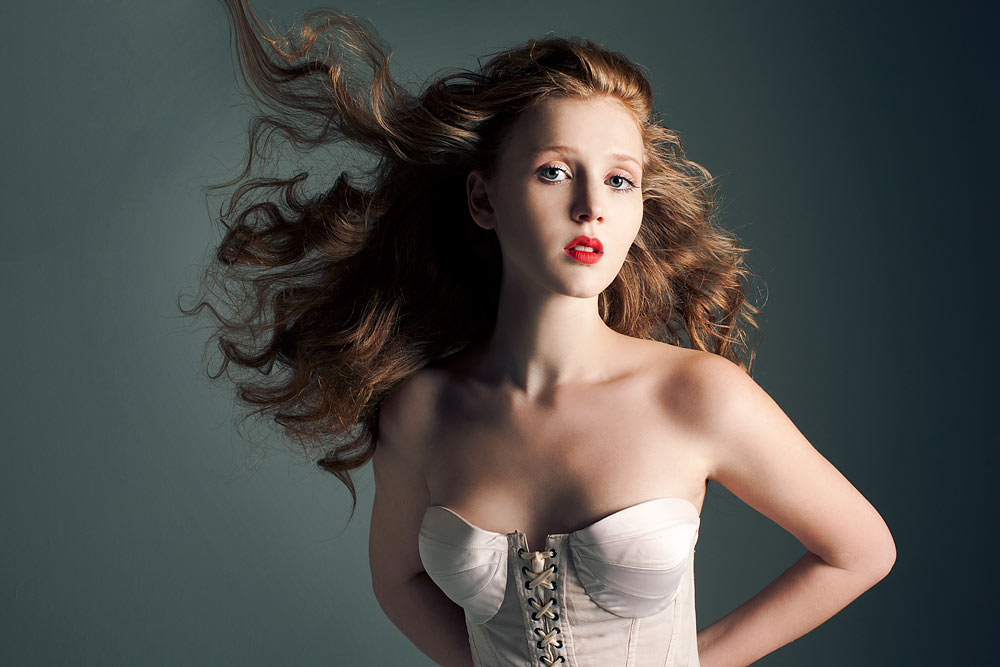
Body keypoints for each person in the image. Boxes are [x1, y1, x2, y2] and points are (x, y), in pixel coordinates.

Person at [184, 1, 896, 665]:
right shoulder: (422, 412)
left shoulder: (697, 394)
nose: (591, 208)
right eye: (554, 171)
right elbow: (397, 581)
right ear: (483, 198)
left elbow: (861, 551)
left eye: (619, 180)